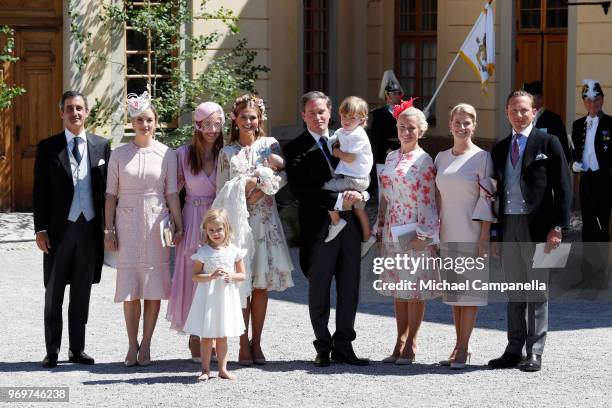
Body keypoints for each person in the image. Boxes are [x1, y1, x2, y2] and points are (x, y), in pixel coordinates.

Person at [488, 90, 571, 372]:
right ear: (507, 113)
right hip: (509, 224)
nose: (519, 115)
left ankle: (534, 352)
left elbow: (563, 188)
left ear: (534, 111)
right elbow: (493, 194)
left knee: (537, 290)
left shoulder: (549, 142)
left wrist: (558, 227)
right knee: (514, 292)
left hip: (539, 228)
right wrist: (494, 235)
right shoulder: (499, 148)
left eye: (524, 110)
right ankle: (513, 349)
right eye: (514, 110)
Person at [285, 91, 368, 367]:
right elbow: (301, 191)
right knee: (319, 288)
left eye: (322, 111)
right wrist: (337, 200)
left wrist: (361, 198)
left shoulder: (347, 137)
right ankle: (323, 346)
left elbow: (365, 174)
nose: (318, 117)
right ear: (303, 116)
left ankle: (344, 346)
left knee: (350, 287)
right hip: (319, 227)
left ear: (330, 112)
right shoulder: (295, 147)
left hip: (351, 225)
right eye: (312, 112)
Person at [104, 91, 184, 367]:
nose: (144, 124)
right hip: (126, 225)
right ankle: (131, 344)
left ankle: (147, 344)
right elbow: (110, 195)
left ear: (155, 121)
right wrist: (108, 229)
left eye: (149, 120)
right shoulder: (118, 154)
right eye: (139, 120)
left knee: (152, 287)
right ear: (132, 122)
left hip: (156, 225)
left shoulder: (167, 154)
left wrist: (179, 223)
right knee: (131, 289)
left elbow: (172, 192)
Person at [33, 91, 111, 368]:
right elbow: (39, 191)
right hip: (58, 230)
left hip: (89, 229)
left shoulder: (102, 146)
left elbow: (108, 191)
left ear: (87, 112)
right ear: (61, 113)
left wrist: (109, 226)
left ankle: (77, 349)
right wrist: (40, 229)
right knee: (53, 292)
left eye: (79, 108)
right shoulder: (47, 147)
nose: (74, 113)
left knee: (81, 292)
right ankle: (52, 350)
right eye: (69, 109)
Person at [216, 94, 294, 366]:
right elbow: (221, 190)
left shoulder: (269, 145)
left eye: (253, 117)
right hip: (238, 224)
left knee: (261, 286)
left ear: (260, 119)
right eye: (243, 117)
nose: (249, 122)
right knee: (240, 284)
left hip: (264, 222)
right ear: (235, 121)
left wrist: (262, 190)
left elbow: (283, 177)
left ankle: (257, 342)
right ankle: (241, 342)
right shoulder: (226, 153)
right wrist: (244, 190)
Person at [376, 103, 439, 365]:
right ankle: (399, 340)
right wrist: (380, 224)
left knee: (414, 288)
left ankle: (412, 342)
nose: (406, 132)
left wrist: (424, 234)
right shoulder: (391, 157)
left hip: (415, 226)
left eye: (411, 128)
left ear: (421, 131)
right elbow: (385, 195)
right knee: (398, 287)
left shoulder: (425, 161)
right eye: (402, 127)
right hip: (393, 225)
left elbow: (428, 200)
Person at [434, 103, 496, 369]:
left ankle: (462, 349)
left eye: (467, 123)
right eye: (457, 122)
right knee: (454, 293)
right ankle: (460, 344)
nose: (461, 127)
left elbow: (487, 199)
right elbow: (436, 198)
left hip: (471, 233)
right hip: (447, 231)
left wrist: (484, 235)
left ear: (474, 126)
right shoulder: (440, 158)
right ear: (450, 125)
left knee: (469, 293)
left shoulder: (482, 158)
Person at [166, 102, 224, 362]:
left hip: (218, 220)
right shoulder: (183, 154)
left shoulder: (225, 152)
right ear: (197, 126)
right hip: (192, 218)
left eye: (217, 124)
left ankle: (213, 331)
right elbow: (171, 192)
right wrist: (177, 224)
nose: (212, 129)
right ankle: (194, 333)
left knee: (217, 275)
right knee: (193, 276)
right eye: (207, 124)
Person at [183, 209, 246, 381]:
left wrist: (230, 275)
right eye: (211, 230)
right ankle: (205, 370)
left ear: (226, 228)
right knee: (207, 335)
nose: (215, 233)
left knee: (222, 334)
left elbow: (242, 275)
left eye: (219, 229)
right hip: (208, 297)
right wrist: (210, 276)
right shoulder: (203, 252)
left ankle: (223, 369)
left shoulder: (234, 251)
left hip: (225, 297)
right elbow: (195, 276)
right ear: (206, 231)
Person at [322, 96, 376, 257]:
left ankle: (336, 221)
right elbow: (332, 139)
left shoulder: (358, 135)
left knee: (324, 189)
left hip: (355, 179)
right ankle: (367, 239)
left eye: (352, 118)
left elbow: (351, 158)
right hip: (358, 178)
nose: (346, 120)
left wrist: (337, 152)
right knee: (359, 210)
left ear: (362, 120)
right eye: (344, 116)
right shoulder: (343, 131)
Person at [570, 79, 611, 291]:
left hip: (603, 180)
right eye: (588, 100)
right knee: (588, 229)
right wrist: (574, 164)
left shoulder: (610, 124)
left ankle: (601, 276)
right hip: (585, 180)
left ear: (602, 100)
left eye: (596, 100)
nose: (592, 104)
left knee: (602, 228)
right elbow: (574, 151)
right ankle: (587, 275)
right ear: (584, 102)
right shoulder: (578, 125)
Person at [367, 70, 404, 196]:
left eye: (399, 93)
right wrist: (388, 149)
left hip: (402, 152)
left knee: (400, 188)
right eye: (395, 93)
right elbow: (375, 138)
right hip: (385, 154)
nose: (398, 96)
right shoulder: (378, 114)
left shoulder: (405, 112)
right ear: (387, 95)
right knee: (385, 189)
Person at [523, 81, 571, 162]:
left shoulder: (553, 119)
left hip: (547, 167)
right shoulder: (523, 119)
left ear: (541, 99)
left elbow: (562, 147)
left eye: (534, 99)